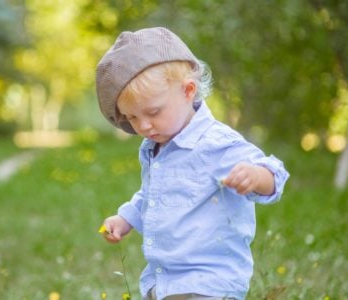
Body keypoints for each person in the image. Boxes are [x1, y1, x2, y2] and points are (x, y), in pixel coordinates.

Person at [95, 27, 289, 300]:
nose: (144, 125)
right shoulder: (154, 146)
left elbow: (275, 176)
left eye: (153, 112)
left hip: (208, 282)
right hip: (163, 280)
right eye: (132, 118)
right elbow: (153, 195)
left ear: (188, 91)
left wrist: (256, 177)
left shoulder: (215, 143)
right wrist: (125, 218)